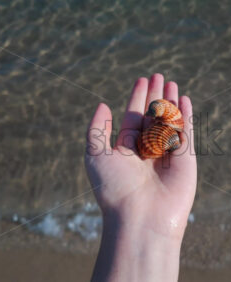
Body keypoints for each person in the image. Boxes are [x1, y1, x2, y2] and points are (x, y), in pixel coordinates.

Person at [84, 73, 197, 282]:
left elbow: (166, 124)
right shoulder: (167, 129)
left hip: (157, 140)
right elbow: (164, 119)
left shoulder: (168, 131)